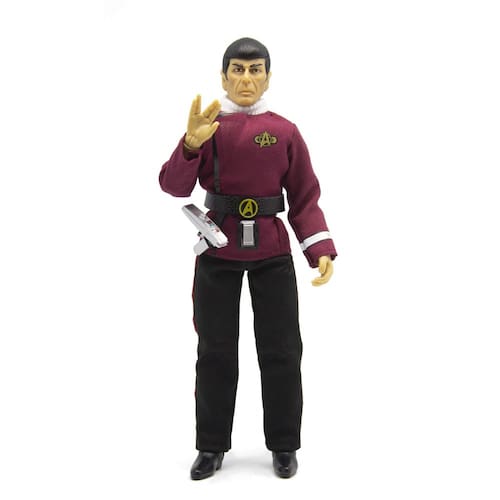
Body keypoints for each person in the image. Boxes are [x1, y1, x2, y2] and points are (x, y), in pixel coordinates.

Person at [159, 37, 337, 480]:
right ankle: (211, 444)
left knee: (282, 350)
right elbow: (173, 186)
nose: (245, 79)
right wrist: (190, 145)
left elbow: (304, 194)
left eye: (255, 70)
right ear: (223, 78)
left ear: (268, 78)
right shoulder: (208, 126)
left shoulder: (284, 131)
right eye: (237, 70)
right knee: (215, 350)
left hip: (271, 251)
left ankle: (284, 443)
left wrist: (318, 249)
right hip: (219, 249)